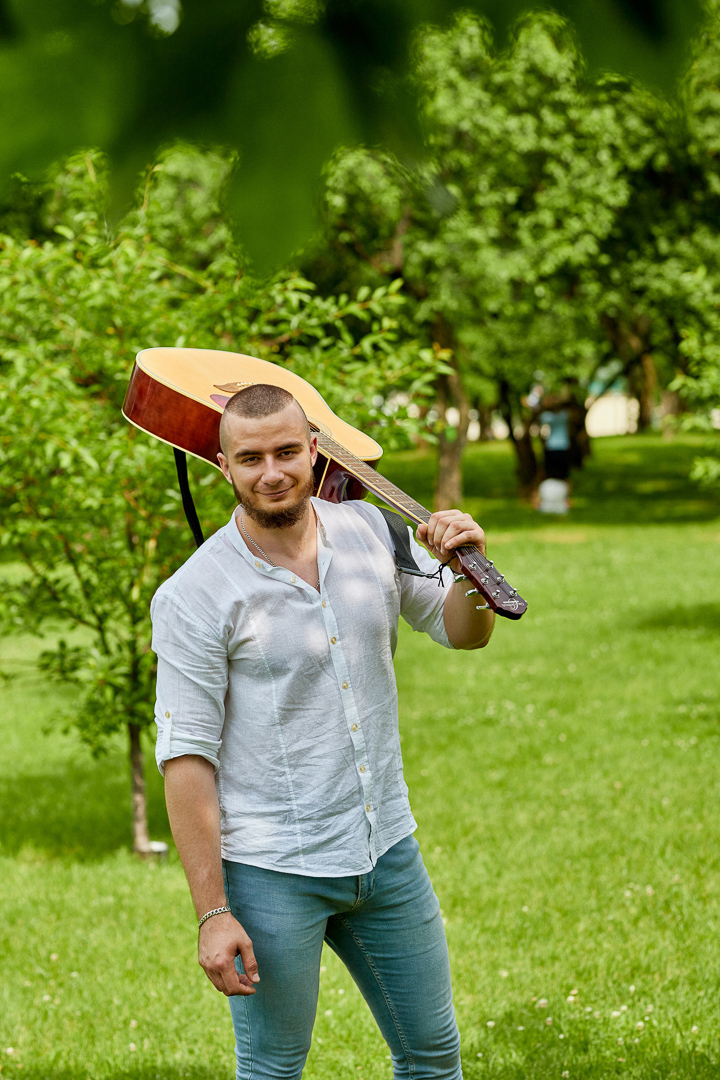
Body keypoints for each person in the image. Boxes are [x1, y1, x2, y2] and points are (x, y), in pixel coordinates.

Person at [151, 383, 495, 1080]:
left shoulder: (372, 531)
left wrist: (469, 574)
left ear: (314, 451)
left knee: (433, 1059)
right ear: (224, 467)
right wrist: (212, 912)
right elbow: (186, 759)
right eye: (250, 459)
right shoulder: (195, 594)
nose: (271, 471)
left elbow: (466, 634)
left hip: (387, 853)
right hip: (274, 872)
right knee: (274, 1068)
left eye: (286, 450)